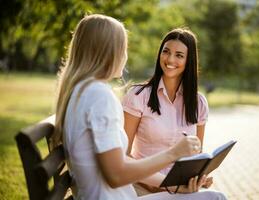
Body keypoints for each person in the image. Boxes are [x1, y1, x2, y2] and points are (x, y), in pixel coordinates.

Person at [52, 14, 226, 200]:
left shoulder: (81, 91)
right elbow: (117, 175)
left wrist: (176, 186)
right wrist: (173, 153)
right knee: (215, 198)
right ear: (108, 51)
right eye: (123, 48)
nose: (125, 56)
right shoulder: (99, 96)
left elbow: (119, 164)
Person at [122, 28, 223, 197]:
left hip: (180, 190)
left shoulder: (199, 103)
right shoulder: (138, 96)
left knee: (217, 197)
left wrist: (199, 178)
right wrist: (163, 185)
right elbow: (123, 156)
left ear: (189, 61)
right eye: (166, 52)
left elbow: (196, 156)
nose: (170, 59)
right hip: (142, 188)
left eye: (179, 55)